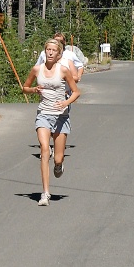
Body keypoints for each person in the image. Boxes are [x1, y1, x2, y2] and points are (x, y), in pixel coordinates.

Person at [22, 38, 80, 206]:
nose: (50, 52)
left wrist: (65, 103)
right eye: (48, 49)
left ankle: (59, 165)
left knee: (58, 158)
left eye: (54, 50)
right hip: (44, 114)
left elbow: (76, 92)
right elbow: (24, 87)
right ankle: (45, 193)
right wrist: (33, 89)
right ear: (44, 51)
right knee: (45, 150)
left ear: (58, 54)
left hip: (61, 116)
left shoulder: (64, 71)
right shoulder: (36, 69)